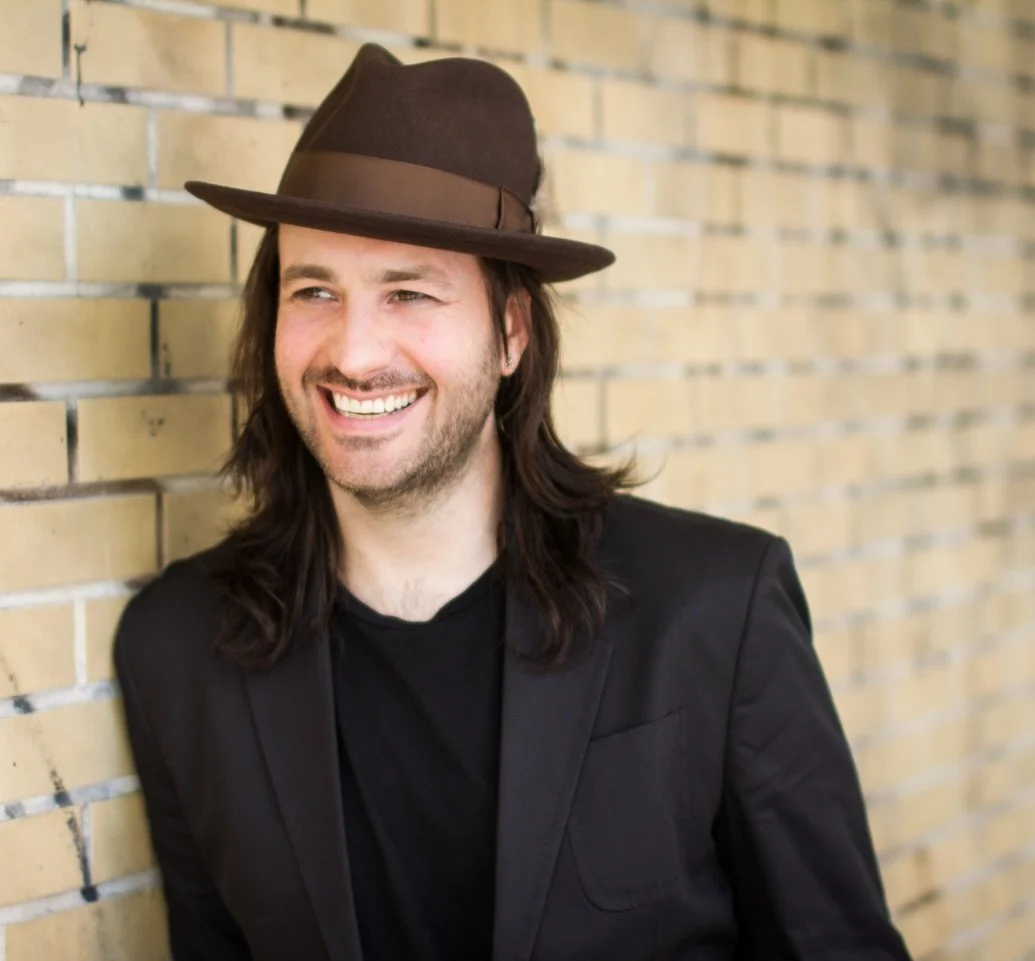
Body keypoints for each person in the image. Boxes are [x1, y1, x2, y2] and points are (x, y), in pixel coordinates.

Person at [113, 43, 911, 961]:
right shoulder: (178, 650)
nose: (355, 352)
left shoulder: (714, 612)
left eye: (409, 292)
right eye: (315, 290)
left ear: (510, 332)